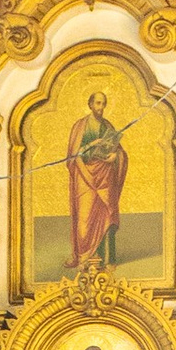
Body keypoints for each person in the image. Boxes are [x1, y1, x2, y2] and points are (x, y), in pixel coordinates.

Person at [66, 89, 131, 274]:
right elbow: (72, 156)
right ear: (90, 105)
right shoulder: (80, 126)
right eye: (97, 103)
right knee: (85, 217)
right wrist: (91, 146)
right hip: (85, 177)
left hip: (105, 176)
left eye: (103, 104)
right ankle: (85, 256)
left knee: (107, 215)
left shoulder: (108, 126)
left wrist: (114, 156)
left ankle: (107, 258)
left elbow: (119, 151)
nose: (100, 107)